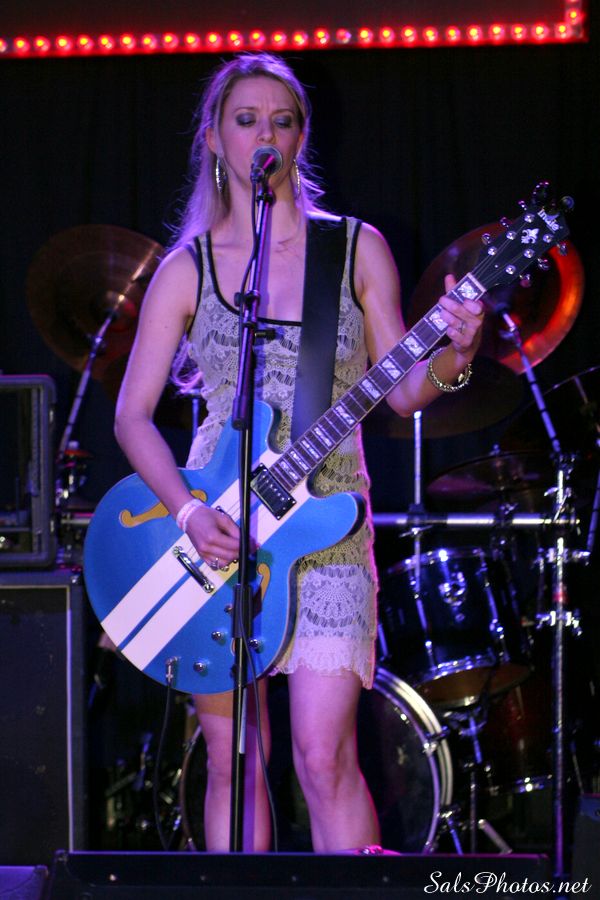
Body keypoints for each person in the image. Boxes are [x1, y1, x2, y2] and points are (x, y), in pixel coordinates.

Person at [114, 52, 484, 852]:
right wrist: (186, 511)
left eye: (281, 121)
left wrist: (455, 355)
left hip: (329, 527)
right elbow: (132, 416)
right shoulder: (187, 269)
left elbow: (403, 391)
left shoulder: (354, 249)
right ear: (214, 138)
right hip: (217, 528)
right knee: (233, 757)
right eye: (246, 120)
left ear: (301, 137)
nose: (265, 136)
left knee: (325, 757)